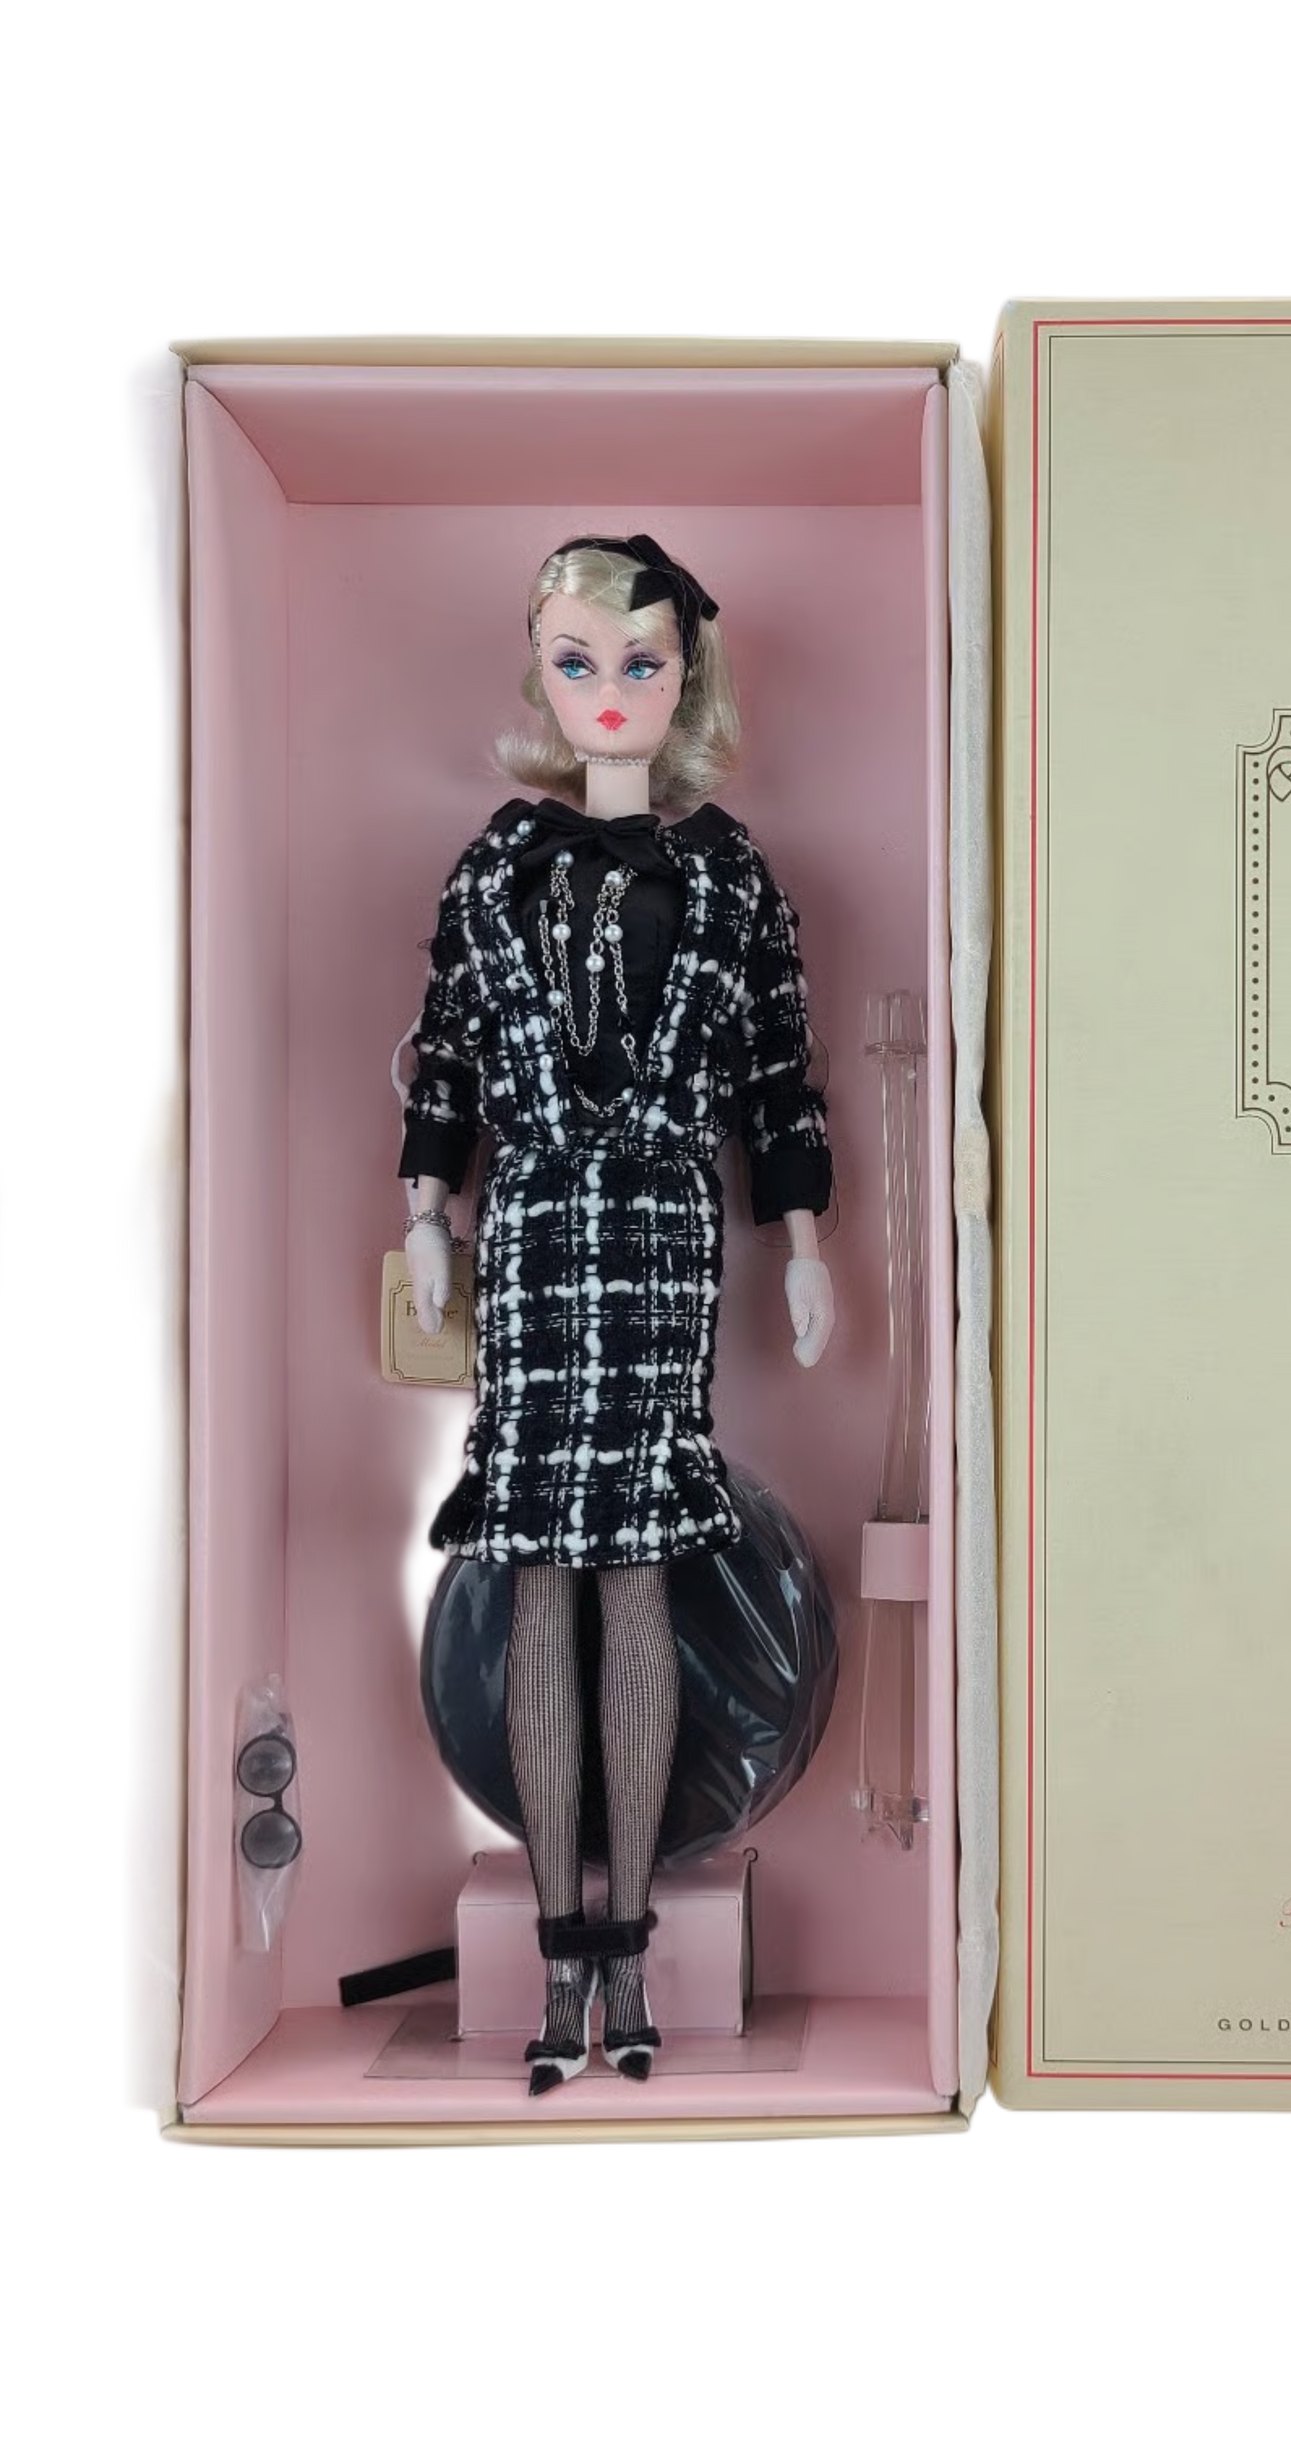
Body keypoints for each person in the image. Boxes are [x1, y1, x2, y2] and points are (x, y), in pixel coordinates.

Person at [399, 535, 836, 2093]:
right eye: (577, 661)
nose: (607, 692)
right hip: (530, 1222)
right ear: (539, 672)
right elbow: (448, 1051)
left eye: (640, 663)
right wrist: (425, 1214)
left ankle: (628, 1954)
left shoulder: (726, 872)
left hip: (660, 1221)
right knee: (535, 1556)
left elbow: (778, 1069)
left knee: (638, 1554)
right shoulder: (497, 864)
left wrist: (802, 1240)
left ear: (683, 680)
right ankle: (555, 1961)